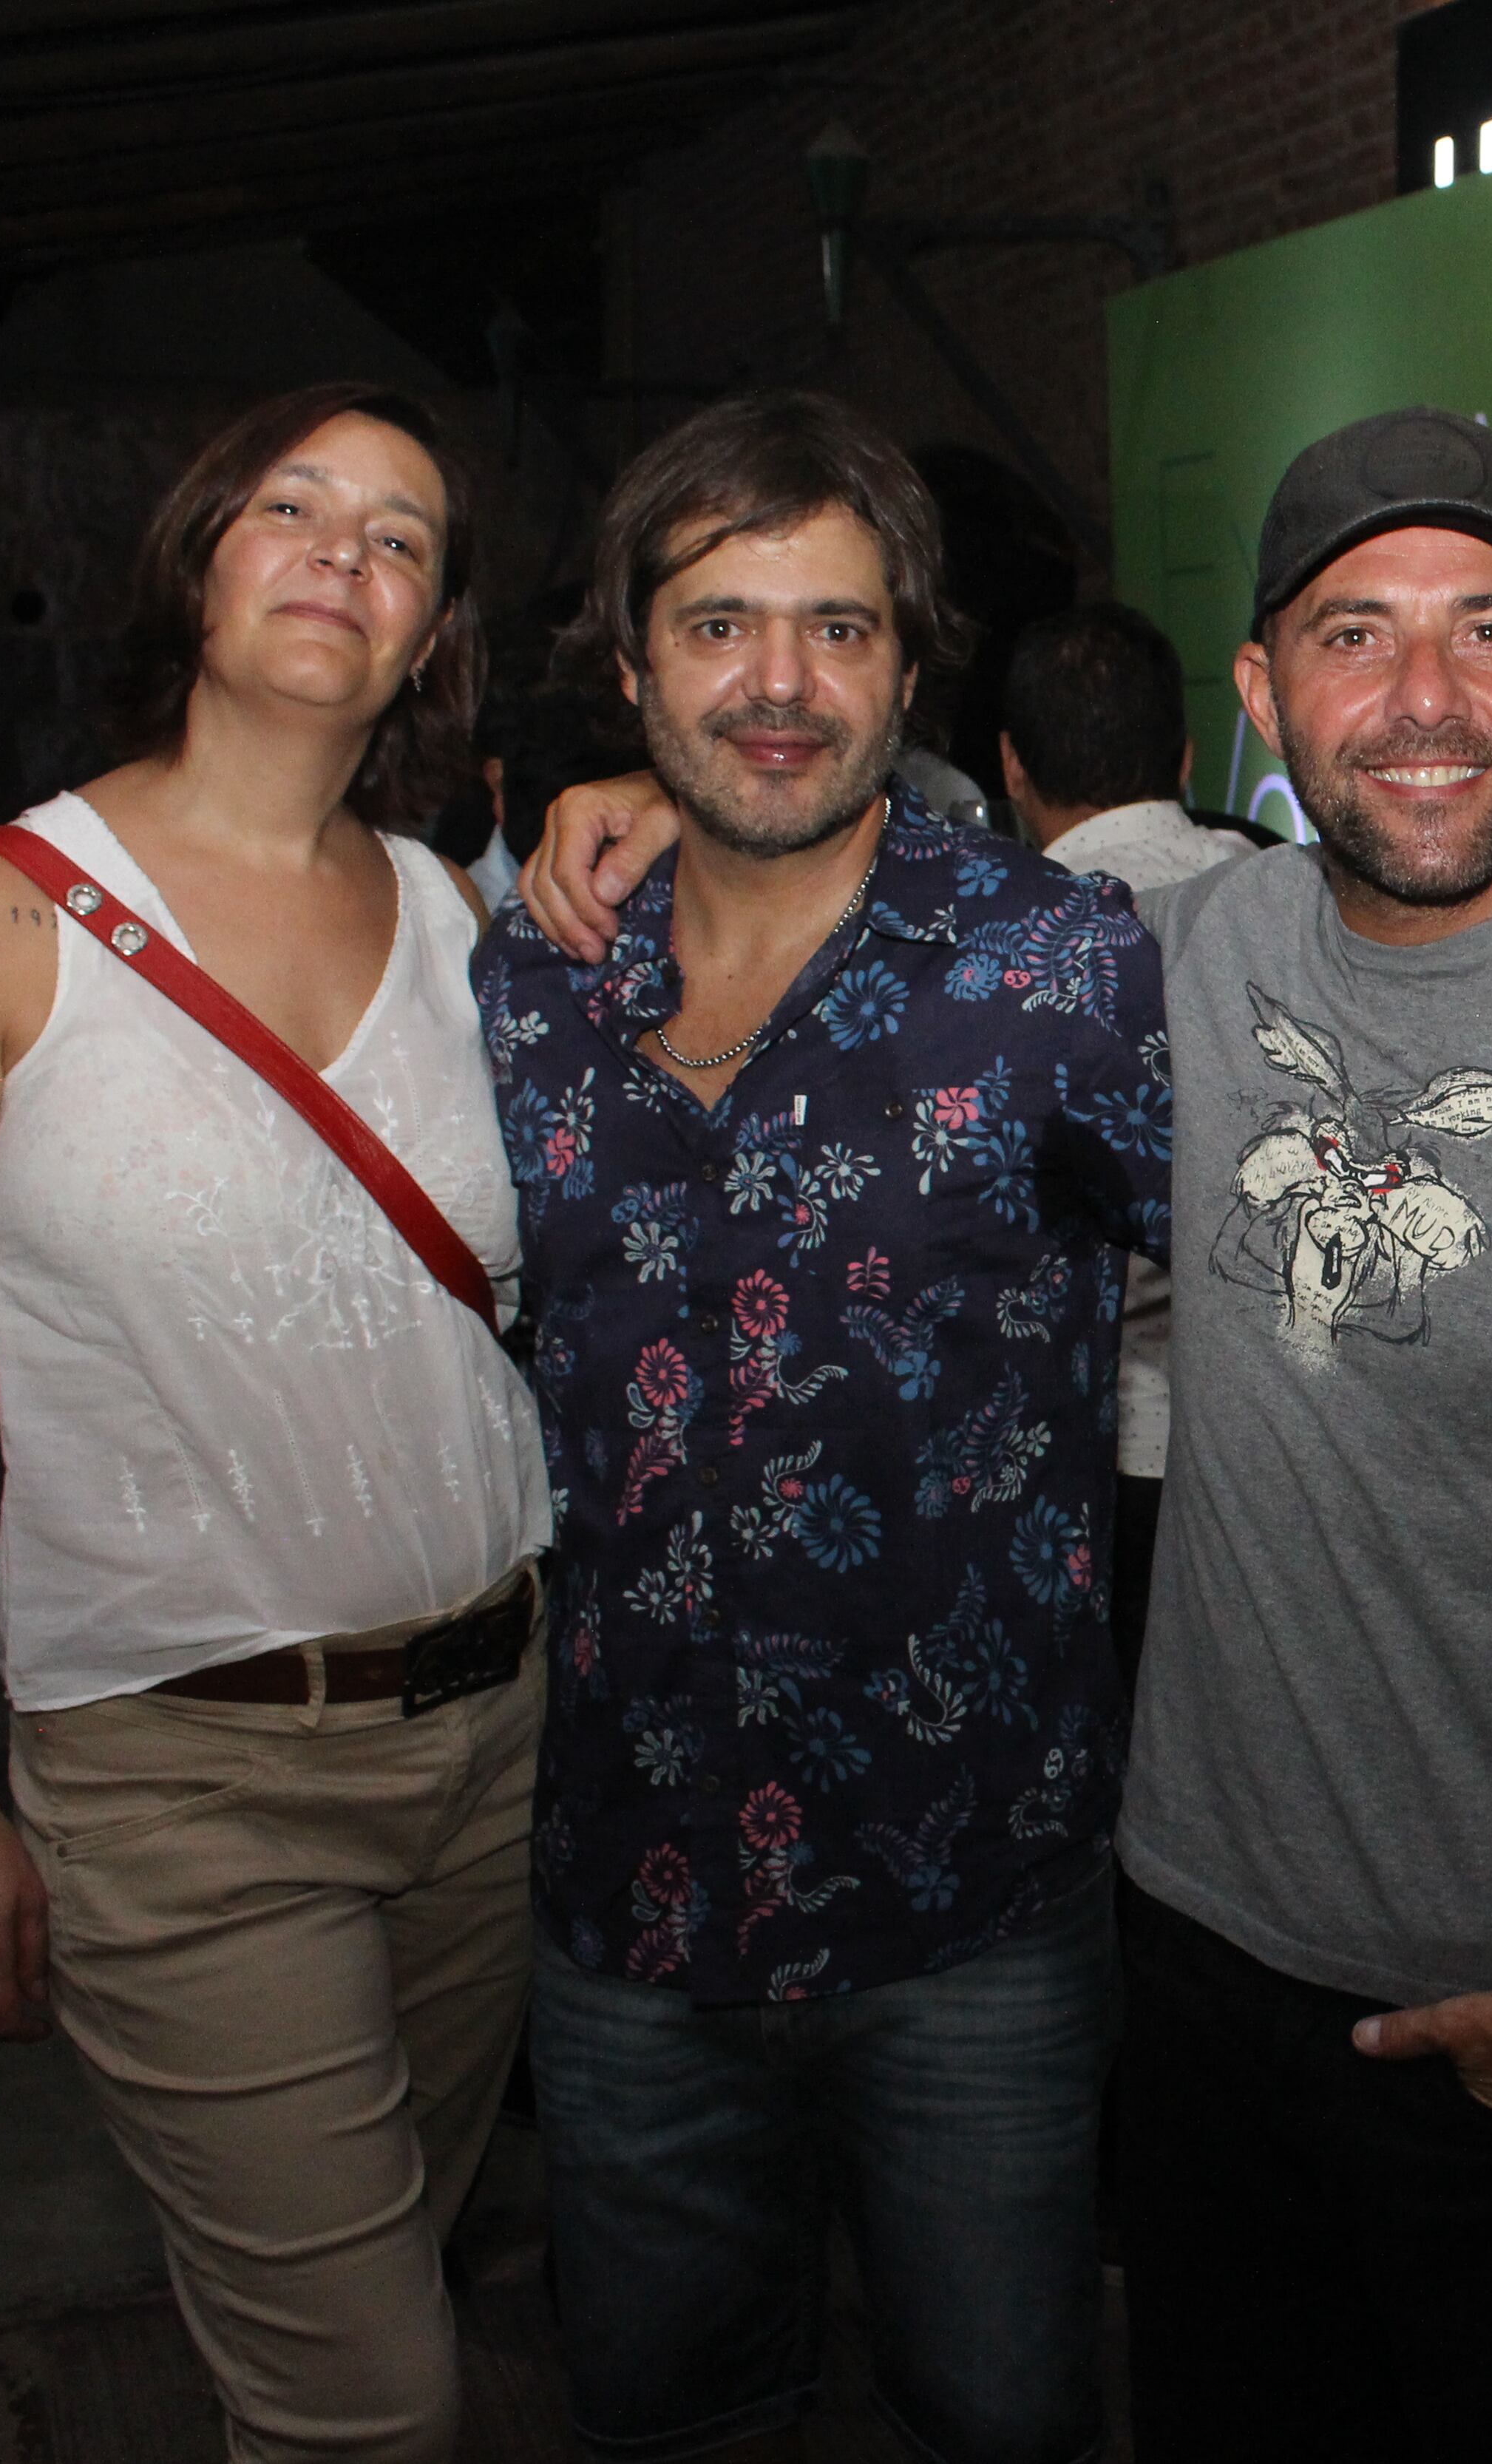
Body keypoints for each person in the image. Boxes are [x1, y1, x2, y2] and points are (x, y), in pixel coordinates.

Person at [523, 403, 1492, 2463]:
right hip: (1186, 1969)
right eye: (1356, 636)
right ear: (1258, 698)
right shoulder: (1160, 953)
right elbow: (844, 876)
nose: (1425, 699)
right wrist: (656, 788)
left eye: (1488, 631)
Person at [0, 381, 552, 2463]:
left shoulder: (465, 913)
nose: (346, 552)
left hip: (493, 1745)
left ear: (430, 639)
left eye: (402, 536)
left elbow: (516, 1293)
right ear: (200, 565)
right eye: (293, 506)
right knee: (376, 2400)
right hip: (187, 1784)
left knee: (383, 2275)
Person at [475, 392, 1170, 2464]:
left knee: (1001, 2412)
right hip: (627, 1896)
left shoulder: (1062, 966)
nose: (779, 683)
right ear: (630, 659)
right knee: (666, 2413)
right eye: (719, 624)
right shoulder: (523, 985)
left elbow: (1275, 1283)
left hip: (976, 1893)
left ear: (911, 657)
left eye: (839, 628)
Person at [989, 600, 1252, 1682]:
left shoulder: (1000, 942)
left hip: (1106, 1451)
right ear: (1187, 758)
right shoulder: (1288, 890)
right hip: (1273, 1440)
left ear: (1010, 767)